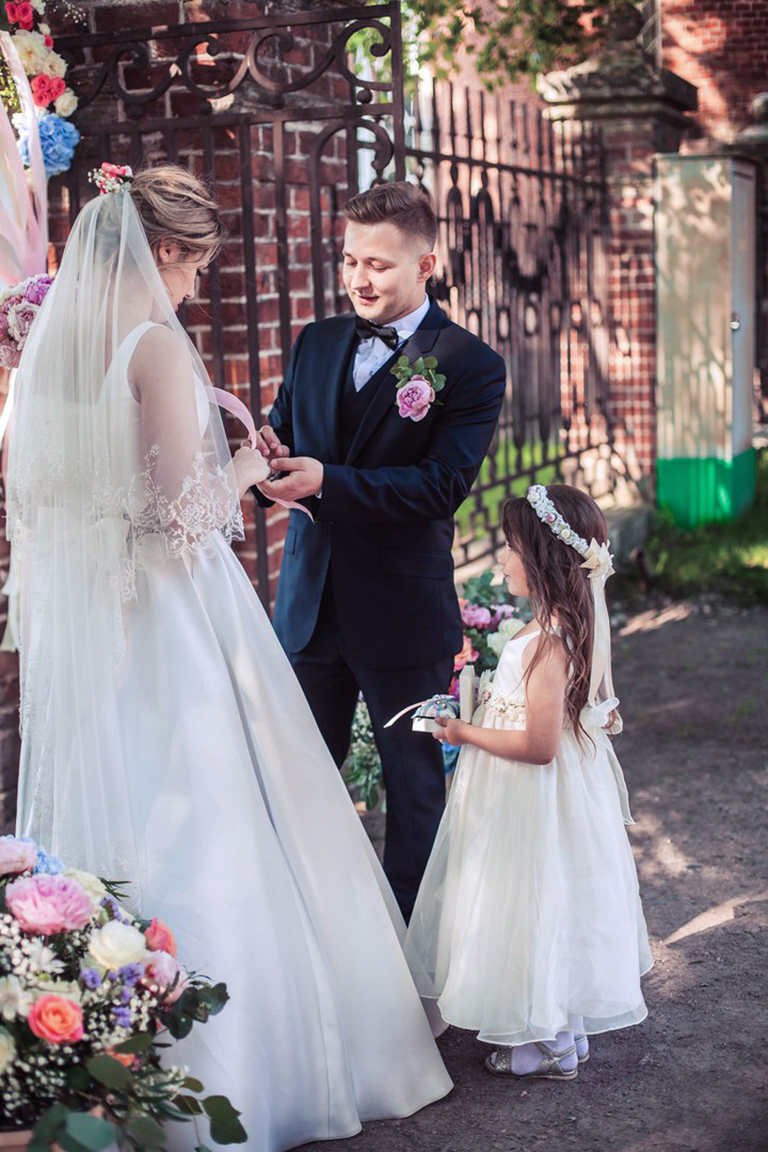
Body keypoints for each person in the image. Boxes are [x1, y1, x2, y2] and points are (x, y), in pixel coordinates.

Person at [7, 163, 452, 1151]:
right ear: (165, 251)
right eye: (198, 268)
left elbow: (48, 502)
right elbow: (182, 522)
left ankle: (93, 1050)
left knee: (122, 800)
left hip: (96, 626)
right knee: (220, 810)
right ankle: (240, 1068)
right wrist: (246, 462)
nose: (196, 287)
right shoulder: (153, 344)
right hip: (175, 618)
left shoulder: (48, 350)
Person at [254, 182, 506, 921]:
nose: (359, 280)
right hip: (308, 608)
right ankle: (311, 930)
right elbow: (285, 431)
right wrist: (266, 457)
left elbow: (440, 486)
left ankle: (413, 948)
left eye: (379, 265)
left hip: (402, 613)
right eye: (349, 260)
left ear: (425, 265)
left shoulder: (470, 363)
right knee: (295, 779)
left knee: (415, 789)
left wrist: (328, 481)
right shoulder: (316, 340)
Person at [404, 484, 653, 1079]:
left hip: (532, 798)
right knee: (551, 900)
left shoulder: (548, 643)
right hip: (541, 795)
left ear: (543, 558)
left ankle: (548, 1043)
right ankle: (564, 1029)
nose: (501, 558)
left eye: (511, 548)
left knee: (533, 901)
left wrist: (464, 733)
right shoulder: (558, 625)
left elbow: (540, 746)